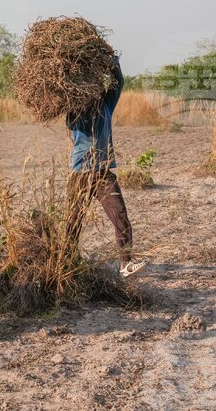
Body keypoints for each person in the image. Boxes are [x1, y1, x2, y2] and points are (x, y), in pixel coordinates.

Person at [65, 54, 147, 277]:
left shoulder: (107, 104)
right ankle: (67, 261)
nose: (92, 89)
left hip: (103, 173)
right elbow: (67, 106)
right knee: (73, 220)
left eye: (95, 85)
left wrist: (114, 62)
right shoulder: (75, 109)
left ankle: (126, 263)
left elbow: (118, 82)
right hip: (80, 172)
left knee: (120, 214)